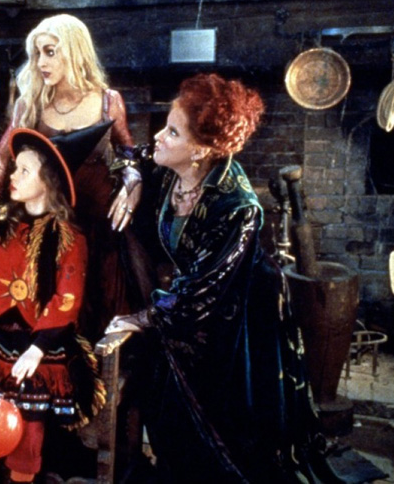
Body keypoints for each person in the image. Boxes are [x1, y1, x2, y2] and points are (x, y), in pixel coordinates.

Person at [107, 73, 341, 483]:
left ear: (201, 149)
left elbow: (201, 295)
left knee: (223, 432)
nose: (159, 137)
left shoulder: (238, 207)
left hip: (239, 318)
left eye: (172, 132)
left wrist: (140, 318)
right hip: (190, 302)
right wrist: (133, 179)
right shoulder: (168, 169)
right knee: (169, 417)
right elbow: (130, 155)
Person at [0, 124, 109, 483]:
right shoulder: (6, 229)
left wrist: (37, 349)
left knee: (25, 406)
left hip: (42, 341)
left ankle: (22, 477)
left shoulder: (69, 238)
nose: (12, 176)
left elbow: (67, 299)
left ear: (48, 181)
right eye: (14, 168)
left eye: (24, 171)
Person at [0, 13, 152, 342]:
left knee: (99, 321)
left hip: (98, 223)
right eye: (37, 54)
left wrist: (133, 182)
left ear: (74, 51)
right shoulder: (30, 103)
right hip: (51, 225)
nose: (41, 63)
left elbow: (129, 154)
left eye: (50, 52)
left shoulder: (108, 101)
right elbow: (1, 156)